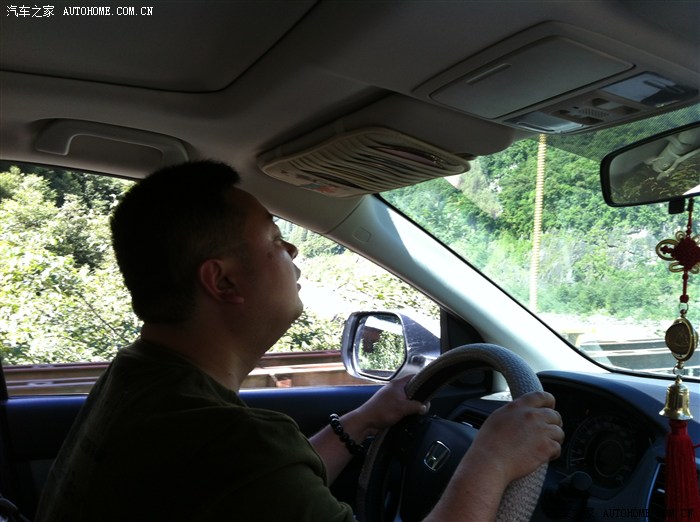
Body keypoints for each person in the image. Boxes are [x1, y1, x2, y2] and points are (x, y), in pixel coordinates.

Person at [35, 160, 564, 521]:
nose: (291, 250)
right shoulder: (227, 440)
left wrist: (363, 420)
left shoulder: (138, 379)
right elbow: (252, 471)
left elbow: (262, 489)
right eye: (273, 237)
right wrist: (492, 461)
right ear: (223, 281)